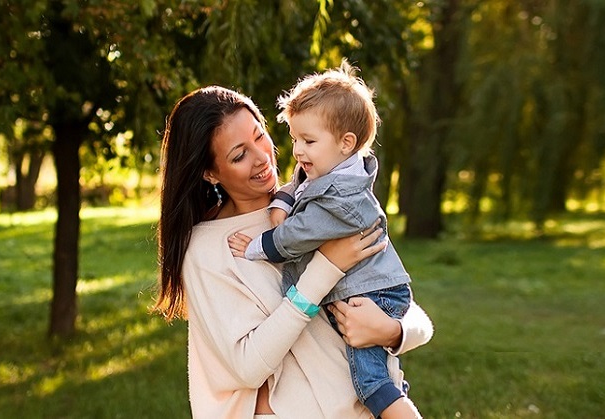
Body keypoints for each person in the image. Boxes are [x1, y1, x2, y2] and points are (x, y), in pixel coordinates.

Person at [153, 85, 433, 418]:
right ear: (210, 173)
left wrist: (394, 331)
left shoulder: (319, 201)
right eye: (239, 154)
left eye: (260, 137)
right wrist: (326, 267)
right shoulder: (210, 250)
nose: (261, 158)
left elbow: (397, 295)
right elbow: (247, 366)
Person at [227, 61, 419, 419]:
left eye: (308, 141)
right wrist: (281, 204)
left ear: (347, 143)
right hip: (366, 290)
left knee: (370, 381)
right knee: (375, 373)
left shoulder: (342, 199)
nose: (298, 151)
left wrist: (258, 245)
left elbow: (298, 236)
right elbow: (295, 184)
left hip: (373, 294)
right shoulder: (326, 169)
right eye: (295, 139)